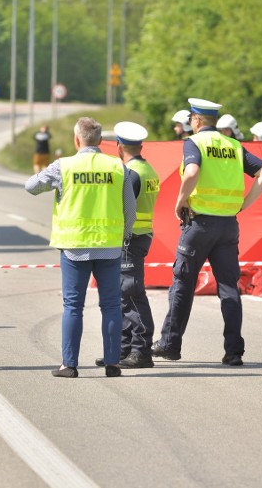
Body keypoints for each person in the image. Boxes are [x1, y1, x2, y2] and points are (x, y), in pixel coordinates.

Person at [152, 98, 262, 366]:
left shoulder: (194, 143)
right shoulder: (233, 145)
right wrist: (244, 203)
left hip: (199, 225)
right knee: (229, 287)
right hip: (228, 225)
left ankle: (170, 344)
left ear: (196, 120)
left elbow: (192, 171)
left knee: (183, 283)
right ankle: (234, 351)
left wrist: (180, 201)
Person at [25, 117, 136, 378]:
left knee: (73, 306)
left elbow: (30, 187)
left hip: (74, 247)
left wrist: (49, 180)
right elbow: (129, 208)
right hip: (109, 247)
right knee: (110, 306)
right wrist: (124, 234)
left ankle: (69, 365)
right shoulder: (118, 167)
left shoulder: (63, 166)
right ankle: (113, 363)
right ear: (100, 141)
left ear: (77, 140)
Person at [95, 122, 160, 369]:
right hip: (141, 236)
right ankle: (122, 350)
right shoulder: (148, 169)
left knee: (131, 293)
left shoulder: (131, 173)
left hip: (130, 238)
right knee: (123, 295)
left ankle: (141, 349)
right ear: (141, 146)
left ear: (119, 147)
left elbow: (124, 209)